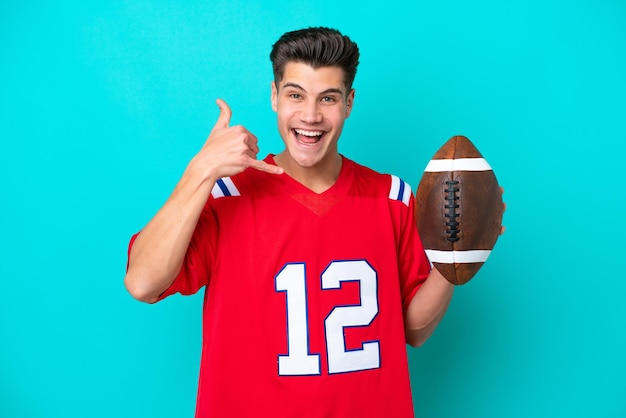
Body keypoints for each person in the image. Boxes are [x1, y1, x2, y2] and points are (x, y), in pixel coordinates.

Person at [125, 27, 455, 418]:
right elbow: (143, 283)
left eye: (328, 98)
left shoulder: (391, 198)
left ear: (349, 103)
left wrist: (456, 260)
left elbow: (413, 330)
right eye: (295, 95)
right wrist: (201, 170)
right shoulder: (226, 195)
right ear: (274, 97)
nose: (310, 116)